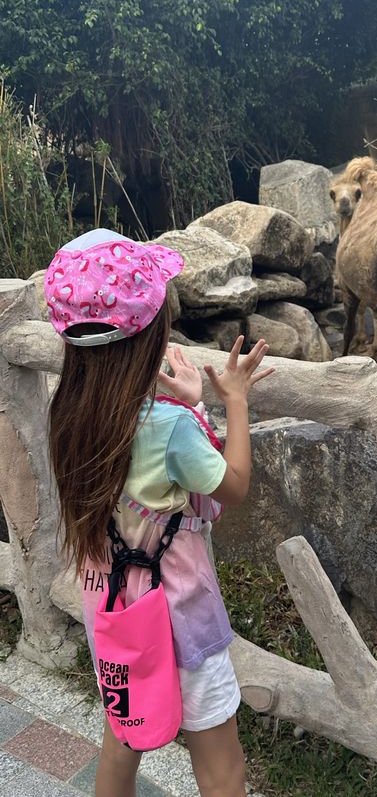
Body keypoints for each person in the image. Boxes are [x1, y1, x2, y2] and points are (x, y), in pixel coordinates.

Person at [45, 228, 273, 797]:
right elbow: (233, 487)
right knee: (222, 765)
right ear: (150, 334)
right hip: (181, 621)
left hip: (114, 612)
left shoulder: (69, 412)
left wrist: (187, 405)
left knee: (121, 742)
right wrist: (233, 402)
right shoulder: (168, 425)